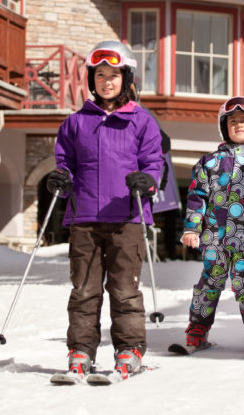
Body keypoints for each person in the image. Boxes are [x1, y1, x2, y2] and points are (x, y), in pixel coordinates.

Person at [46, 40, 164, 379]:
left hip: (126, 217)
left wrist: (147, 179)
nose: (107, 82)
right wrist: (62, 178)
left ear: (126, 79)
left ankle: (129, 349)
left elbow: (154, 162)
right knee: (84, 288)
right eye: (100, 75)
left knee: (125, 288)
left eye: (114, 75)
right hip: (84, 217)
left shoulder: (141, 121)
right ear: (91, 80)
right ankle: (80, 350)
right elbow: (66, 161)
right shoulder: (75, 123)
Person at [179, 97, 244, 356]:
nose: (238, 125)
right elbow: (196, 196)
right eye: (232, 121)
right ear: (224, 127)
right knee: (210, 281)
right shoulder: (210, 162)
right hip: (214, 236)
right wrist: (192, 227)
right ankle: (197, 328)